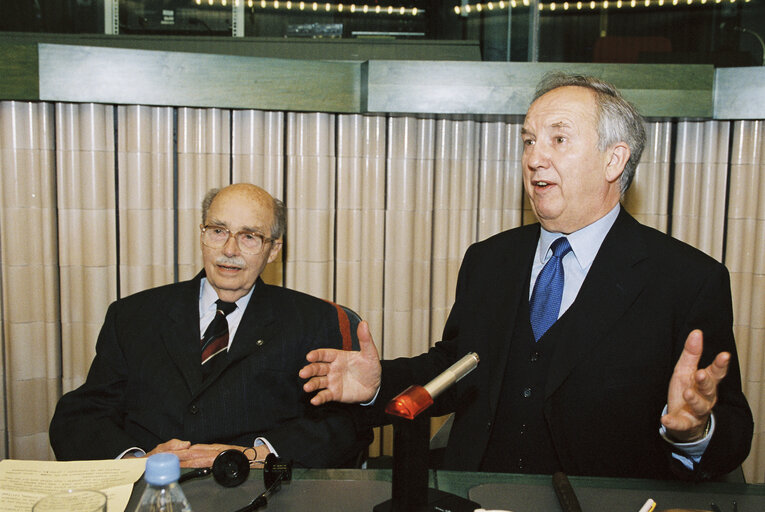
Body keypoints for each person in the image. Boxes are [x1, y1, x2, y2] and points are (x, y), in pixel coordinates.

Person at [300, 73, 753, 480]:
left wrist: (696, 430)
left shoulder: (687, 280)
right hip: (476, 494)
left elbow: (732, 433)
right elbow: (456, 370)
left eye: (558, 140)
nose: (535, 158)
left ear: (614, 161)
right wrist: (378, 385)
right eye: (529, 141)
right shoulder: (490, 260)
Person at [50, 183, 370, 468]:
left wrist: (259, 454)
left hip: (258, 491)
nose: (229, 250)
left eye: (249, 237)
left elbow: (343, 424)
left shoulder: (313, 320)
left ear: (273, 250)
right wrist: (135, 462)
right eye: (218, 231)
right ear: (202, 234)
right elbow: (81, 415)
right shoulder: (133, 315)